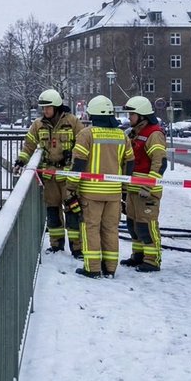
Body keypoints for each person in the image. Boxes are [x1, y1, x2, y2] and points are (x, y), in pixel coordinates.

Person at [14, 89, 85, 256]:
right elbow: (29, 145)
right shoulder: (38, 124)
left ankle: (77, 247)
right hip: (49, 175)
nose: (45, 111)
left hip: (69, 176)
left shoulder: (72, 122)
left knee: (72, 211)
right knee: (52, 211)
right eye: (43, 108)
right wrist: (21, 160)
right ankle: (56, 245)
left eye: (48, 108)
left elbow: (84, 144)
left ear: (57, 107)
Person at [69, 95, 133, 278]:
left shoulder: (86, 134)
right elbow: (130, 163)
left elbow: (79, 163)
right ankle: (110, 268)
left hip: (91, 193)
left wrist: (71, 187)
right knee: (111, 230)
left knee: (91, 229)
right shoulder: (122, 135)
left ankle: (93, 268)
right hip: (113, 194)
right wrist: (125, 189)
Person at [122, 96, 166, 272]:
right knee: (133, 225)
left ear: (142, 115)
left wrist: (149, 185)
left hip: (146, 191)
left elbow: (159, 162)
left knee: (146, 225)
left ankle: (152, 260)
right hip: (133, 190)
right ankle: (138, 256)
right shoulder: (134, 132)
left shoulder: (154, 134)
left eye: (132, 114)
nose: (129, 117)